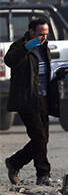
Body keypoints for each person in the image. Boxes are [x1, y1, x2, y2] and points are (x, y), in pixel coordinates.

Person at [4, 18, 59, 185]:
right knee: (39, 137)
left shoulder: (44, 48)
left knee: (43, 138)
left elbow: (43, 71)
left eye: (46, 34)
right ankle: (43, 174)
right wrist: (26, 48)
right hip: (26, 98)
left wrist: (61, 73)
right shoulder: (20, 45)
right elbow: (10, 61)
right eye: (40, 34)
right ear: (31, 32)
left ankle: (15, 162)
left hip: (42, 97)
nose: (44, 37)